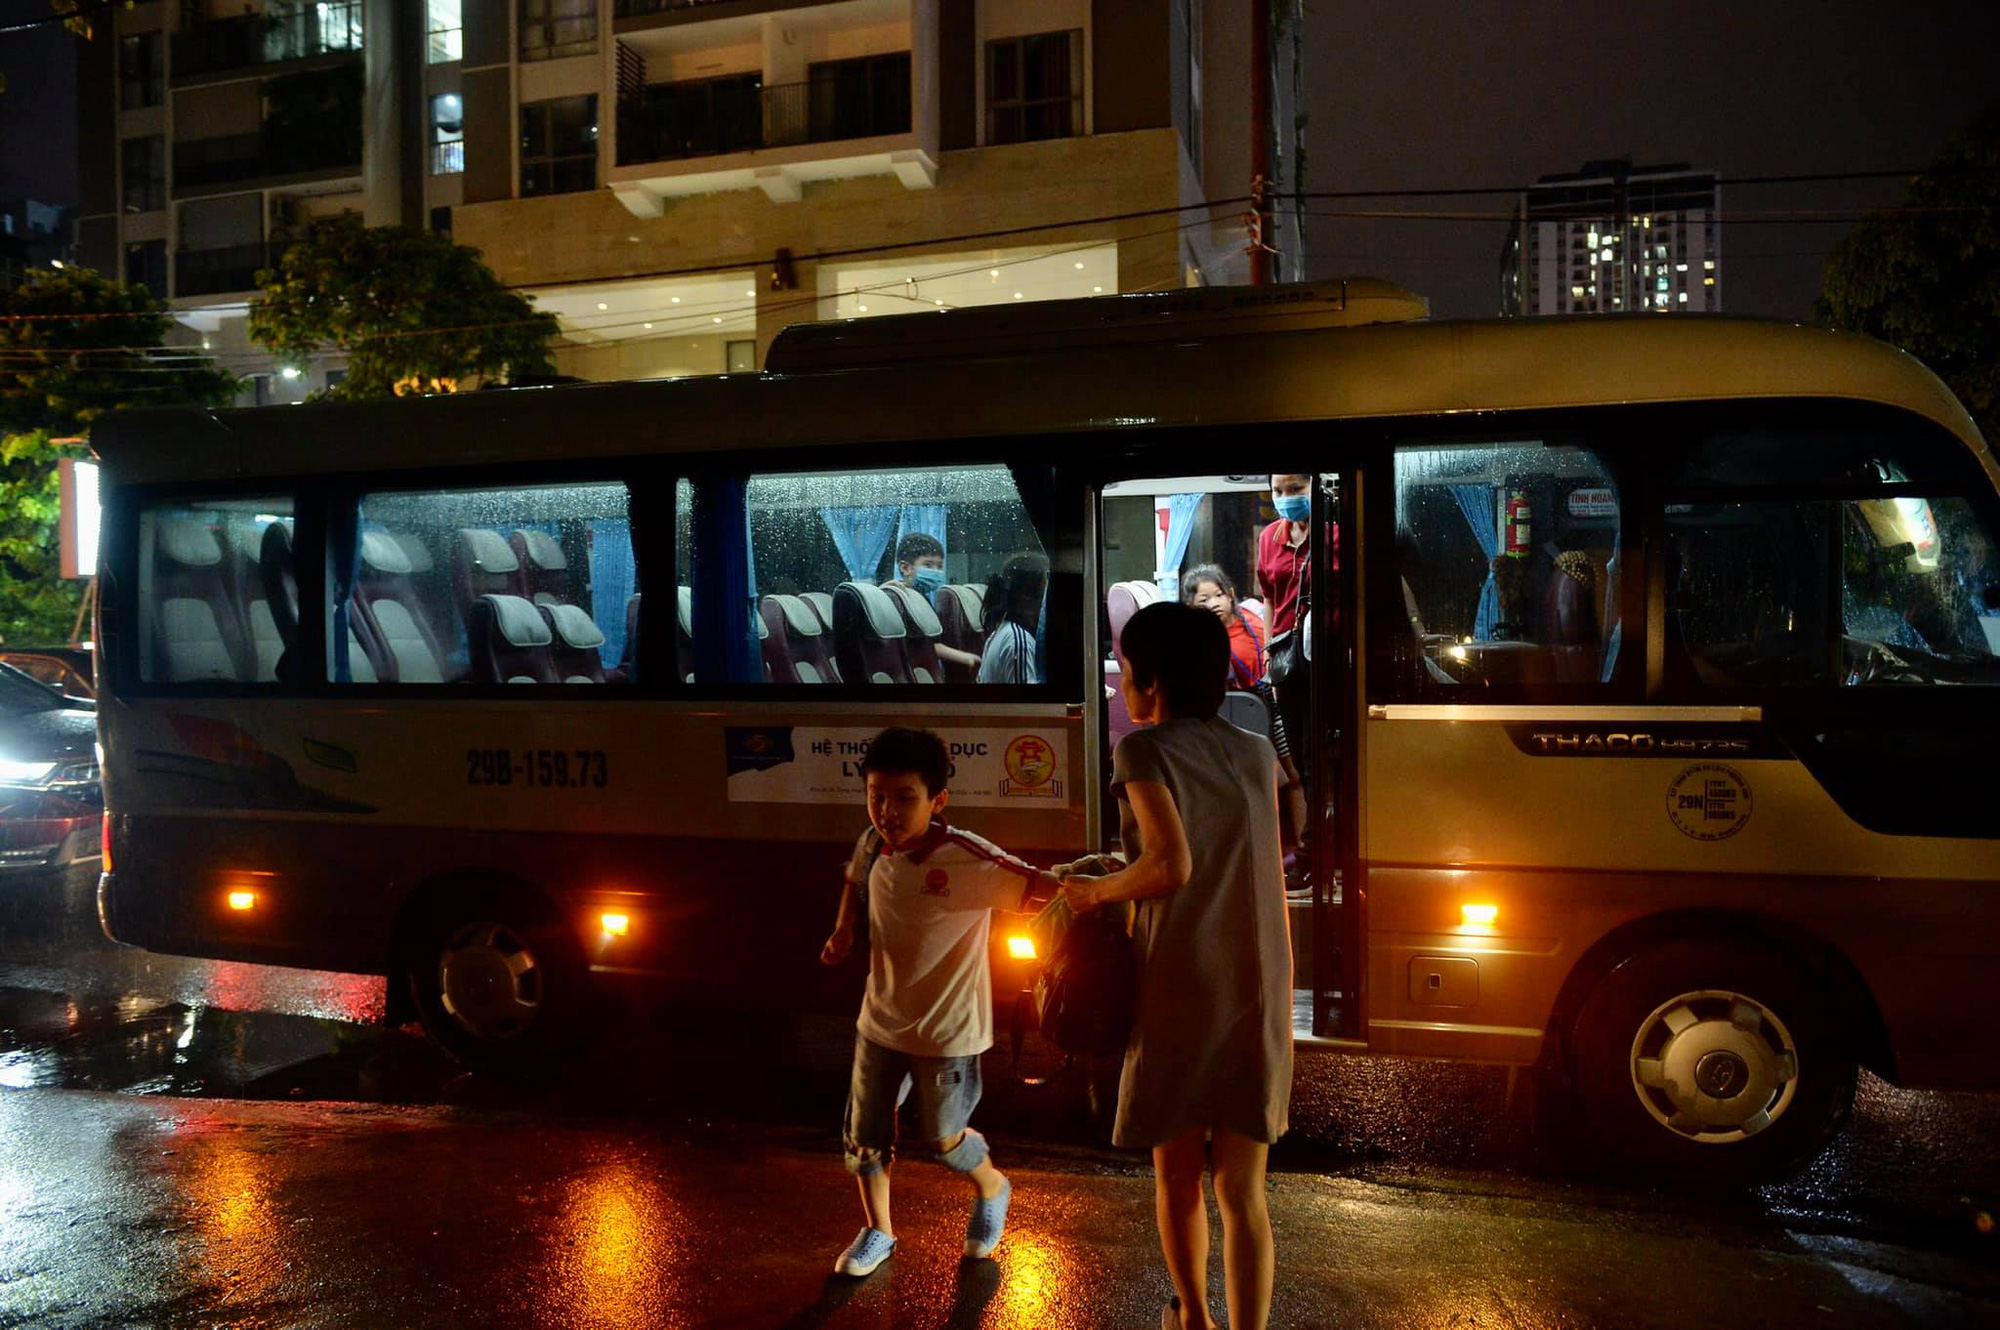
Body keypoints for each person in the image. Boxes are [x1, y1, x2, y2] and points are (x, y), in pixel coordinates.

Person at [1060, 602, 1293, 1330]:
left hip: (1182, 978)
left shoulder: (1143, 752)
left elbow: (1169, 863)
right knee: (1244, 1191)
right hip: (1259, 980)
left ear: (1149, 682)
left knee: (1179, 1175)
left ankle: (1193, 1315)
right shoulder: (1256, 750)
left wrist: (1095, 890)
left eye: (1126, 670)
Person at [819, 726, 1056, 1277]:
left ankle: (994, 1186)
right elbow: (855, 878)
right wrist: (844, 931)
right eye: (876, 796)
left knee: (944, 1141)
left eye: (904, 798)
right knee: (864, 1139)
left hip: (949, 1031)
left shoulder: (970, 858)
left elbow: (1044, 887)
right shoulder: (873, 840)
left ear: (937, 800)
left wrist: (1116, 885)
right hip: (879, 1021)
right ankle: (879, 1232)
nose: (887, 812)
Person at [1182, 564, 1307, 846]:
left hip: (1273, 701)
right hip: (1241, 716)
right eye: (1203, 600)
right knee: (1264, 784)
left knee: (1296, 777)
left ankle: (1303, 850)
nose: (1213, 604)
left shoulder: (1253, 614)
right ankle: (1263, 850)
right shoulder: (1199, 642)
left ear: (1231, 595)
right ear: (1190, 607)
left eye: (1218, 595)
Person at [884, 532, 981, 673]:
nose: (936, 572)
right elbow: (923, 645)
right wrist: (965, 657)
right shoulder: (898, 598)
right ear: (905, 568)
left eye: (940, 566)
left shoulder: (921, 597)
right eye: (928, 565)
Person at [978, 552, 1047, 684]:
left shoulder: (1002, 631)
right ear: (1028, 596)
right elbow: (1025, 702)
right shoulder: (1019, 642)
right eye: (1044, 592)